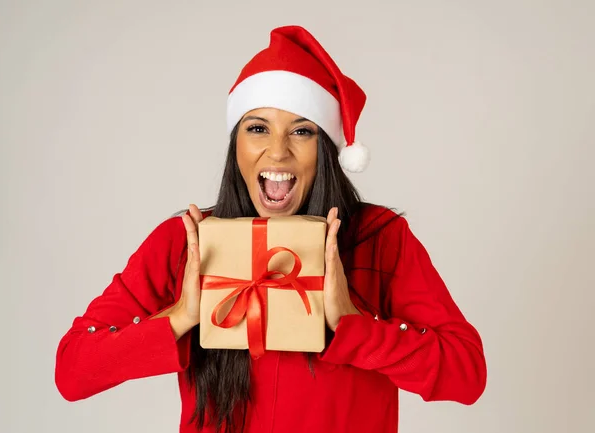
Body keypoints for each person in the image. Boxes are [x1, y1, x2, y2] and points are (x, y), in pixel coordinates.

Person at [55, 25, 487, 433]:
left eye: (302, 131)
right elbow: (72, 371)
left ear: (327, 149)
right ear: (236, 144)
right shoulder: (184, 241)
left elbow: (467, 374)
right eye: (257, 128)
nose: (277, 151)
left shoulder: (381, 238)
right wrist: (181, 317)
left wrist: (355, 324)